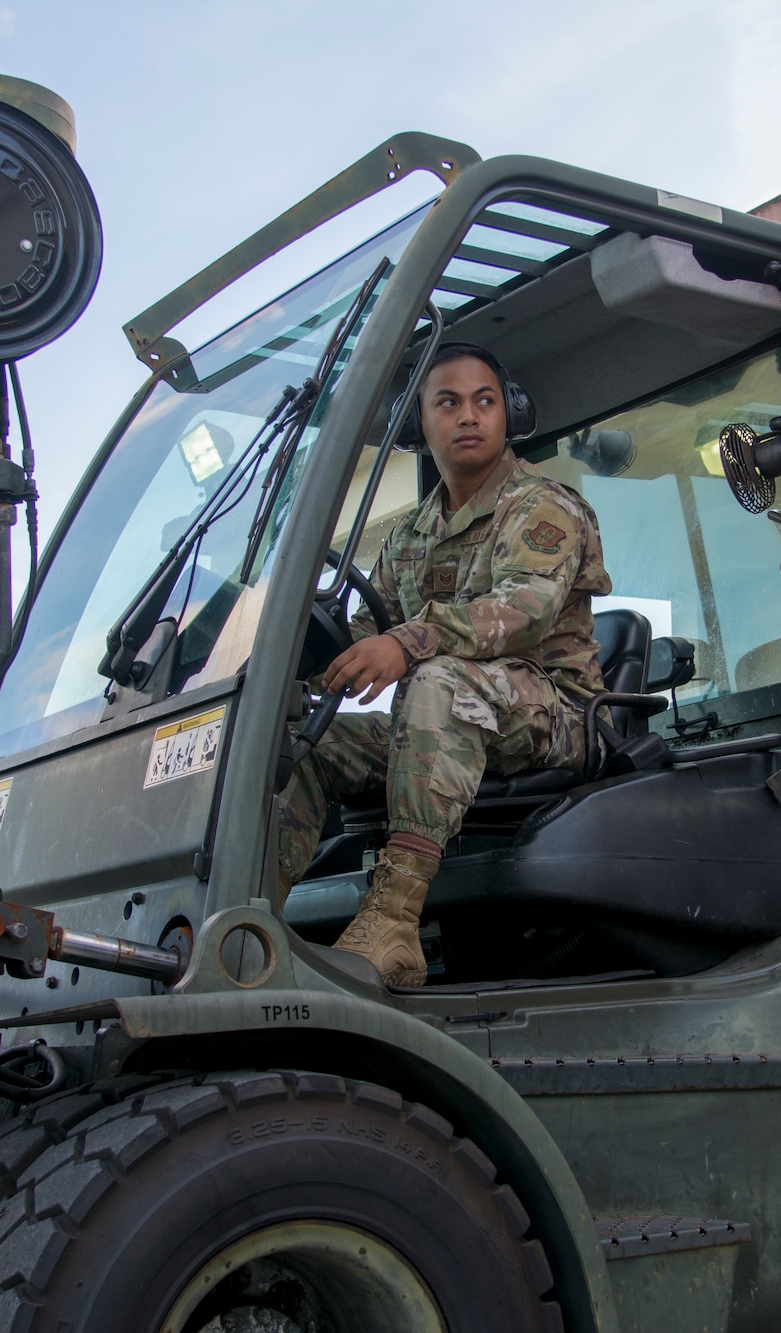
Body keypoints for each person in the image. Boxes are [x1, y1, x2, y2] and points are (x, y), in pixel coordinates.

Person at [273, 344, 611, 986]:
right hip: (450, 721)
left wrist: (407, 644)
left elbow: (523, 611)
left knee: (437, 677)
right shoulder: (408, 536)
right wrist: (291, 663)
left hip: (556, 716)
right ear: (419, 425)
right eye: (448, 403)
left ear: (506, 415)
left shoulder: (543, 505)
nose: (469, 417)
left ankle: (393, 921)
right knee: (304, 743)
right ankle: (256, 906)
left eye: (485, 401)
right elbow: (367, 633)